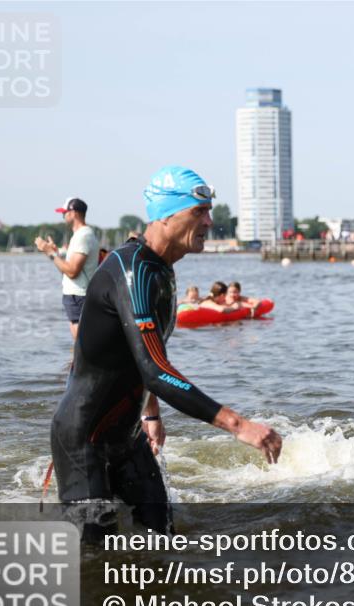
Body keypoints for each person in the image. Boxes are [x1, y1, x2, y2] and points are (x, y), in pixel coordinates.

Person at [49, 166, 282, 540]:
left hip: (127, 436)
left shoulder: (160, 269)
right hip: (84, 441)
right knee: (95, 559)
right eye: (199, 212)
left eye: (209, 212)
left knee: (163, 539)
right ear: (166, 215)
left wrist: (151, 414)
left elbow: (141, 355)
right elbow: (156, 369)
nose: (209, 222)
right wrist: (240, 426)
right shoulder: (132, 271)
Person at [35, 197, 100, 339]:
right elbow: (68, 270)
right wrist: (55, 254)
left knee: (81, 344)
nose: (63, 216)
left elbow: (72, 272)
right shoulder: (80, 235)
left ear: (73, 213)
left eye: (64, 213)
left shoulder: (83, 236)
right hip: (76, 296)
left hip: (78, 296)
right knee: (80, 344)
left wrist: (50, 253)